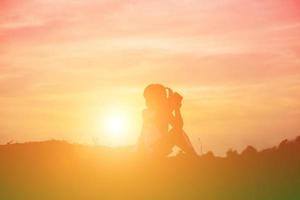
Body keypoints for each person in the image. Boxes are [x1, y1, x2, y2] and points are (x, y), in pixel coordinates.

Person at [138, 84, 197, 156]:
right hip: (152, 150)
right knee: (177, 133)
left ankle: (194, 155)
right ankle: (194, 156)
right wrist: (174, 105)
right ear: (154, 98)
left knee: (179, 132)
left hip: (156, 149)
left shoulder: (162, 111)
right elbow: (176, 126)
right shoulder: (148, 113)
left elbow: (178, 126)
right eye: (163, 97)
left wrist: (176, 108)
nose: (164, 99)